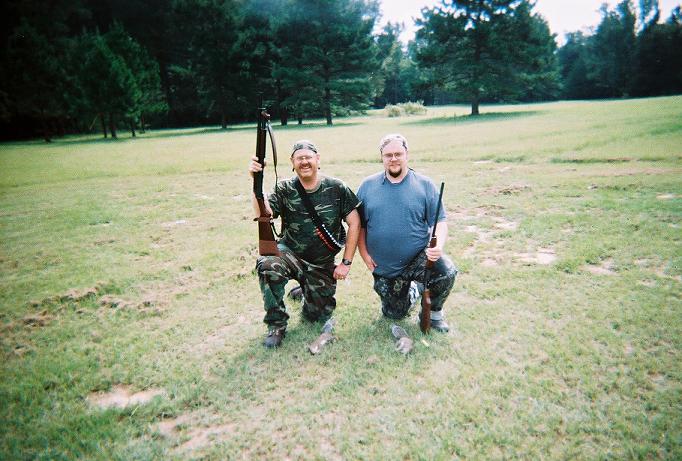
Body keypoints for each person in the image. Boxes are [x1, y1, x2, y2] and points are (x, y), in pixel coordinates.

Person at [249, 140, 360, 348]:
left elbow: (355, 223)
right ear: (292, 162)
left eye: (308, 157)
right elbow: (264, 215)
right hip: (290, 255)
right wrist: (256, 183)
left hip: (321, 263)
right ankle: (276, 325)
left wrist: (346, 263)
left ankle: (304, 290)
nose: (304, 162)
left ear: (318, 159)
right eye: (299, 158)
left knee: (316, 316)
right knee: (268, 264)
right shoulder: (284, 188)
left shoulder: (337, 187)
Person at [357, 133, 457, 339]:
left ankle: (435, 313)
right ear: (381, 157)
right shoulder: (367, 186)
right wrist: (364, 255)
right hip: (386, 266)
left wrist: (438, 246)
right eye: (388, 155)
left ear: (406, 155)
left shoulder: (425, 185)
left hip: (418, 257)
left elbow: (439, 221)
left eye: (398, 154)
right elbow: (360, 226)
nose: (393, 159)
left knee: (446, 271)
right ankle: (415, 289)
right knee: (394, 314)